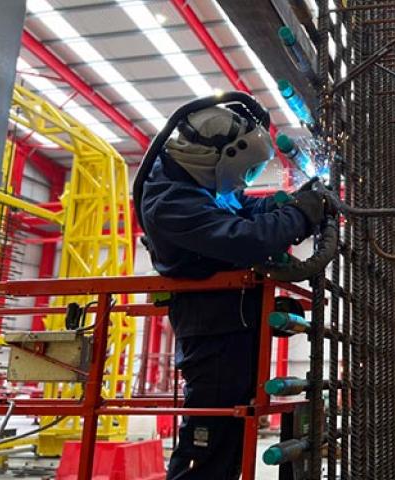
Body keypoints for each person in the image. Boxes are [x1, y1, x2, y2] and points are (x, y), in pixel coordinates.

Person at [140, 105, 329, 479]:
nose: (244, 182)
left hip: (232, 325)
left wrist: (285, 202)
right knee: (208, 446)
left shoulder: (201, 183)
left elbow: (245, 206)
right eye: (243, 172)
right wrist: (302, 215)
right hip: (212, 338)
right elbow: (248, 239)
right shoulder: (170, 203)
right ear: (222, 157)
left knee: (231, 436)